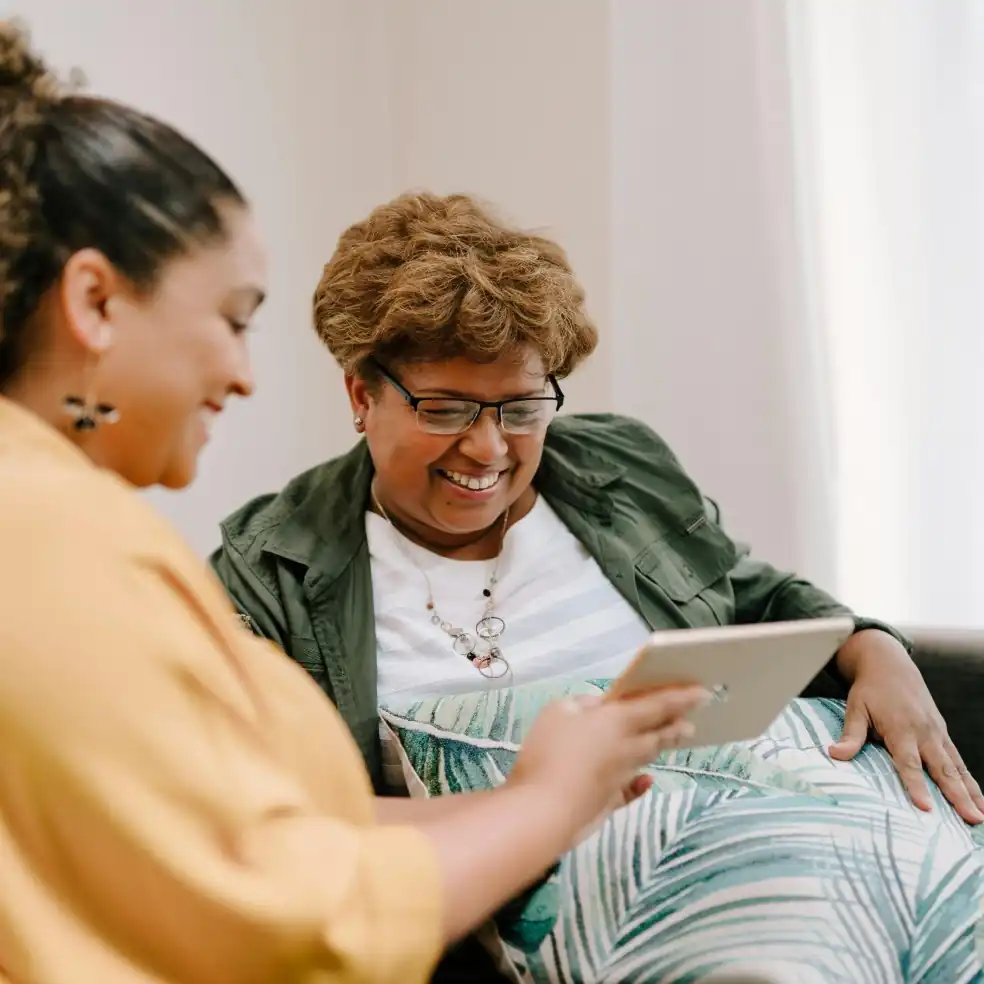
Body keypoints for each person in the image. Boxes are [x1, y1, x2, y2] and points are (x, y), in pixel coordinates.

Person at [0, 22, 707, 984]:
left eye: (517, 407)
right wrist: (544, 802)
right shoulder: (65, 553)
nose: (244, 377)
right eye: (231, 319)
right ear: (95, 302)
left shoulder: (56, 527)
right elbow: (297, 923)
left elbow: (234, 836)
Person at [212, 190, 984, 827]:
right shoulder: (270, 573)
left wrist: (874, 649)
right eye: (445, 410)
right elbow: (267, 818)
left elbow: (758, 599)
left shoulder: (616, 468)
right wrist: (536, 810)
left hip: (743, 832)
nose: (488, 450)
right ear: (361, 394)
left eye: (521, 409)